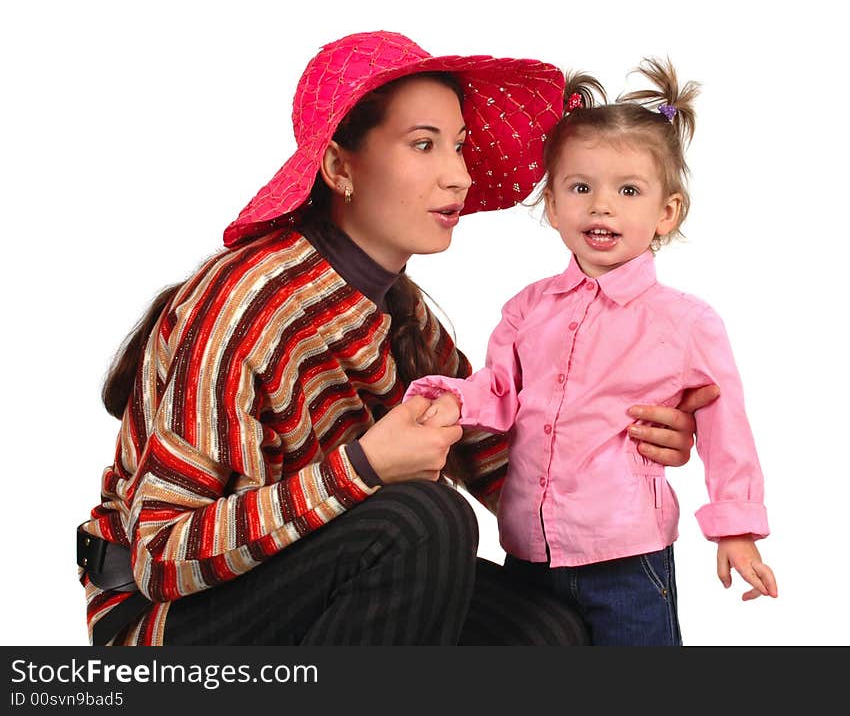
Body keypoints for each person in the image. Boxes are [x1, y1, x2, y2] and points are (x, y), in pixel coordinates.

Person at [77, 32, 716, 646]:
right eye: (423, 145)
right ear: (338, 166)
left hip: (311, 583)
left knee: (551, 630)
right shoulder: (248, 304)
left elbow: (504, 458)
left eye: (459, 147)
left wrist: (621, 428)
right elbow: (163, 555)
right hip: (164, 621)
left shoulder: (401, 312)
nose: (458, 177)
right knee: (425, 521)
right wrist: (363, 468)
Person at [405, 59, 777, 646]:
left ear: (666, 213)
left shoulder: (685, 321)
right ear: (552, 205)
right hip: (529, 551)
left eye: (628, 191)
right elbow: (500, 392)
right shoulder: (528, 308)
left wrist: (736, 528)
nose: (602, 207)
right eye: (581, 188)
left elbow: (725, 427)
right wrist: (450, 398)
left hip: (626, 558)